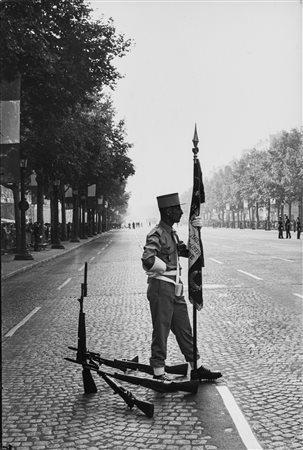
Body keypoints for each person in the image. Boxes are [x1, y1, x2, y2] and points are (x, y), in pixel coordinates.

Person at [141, 193, 222, 381]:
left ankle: (196, 366)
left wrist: (196, 232)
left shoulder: (172, 233)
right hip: (161, 288)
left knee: (185, 329)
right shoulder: (157, 233)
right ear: (168, 212)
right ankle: (158, 372)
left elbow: (190, 253)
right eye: (177, 209)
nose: (181, 212)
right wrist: (162, 269)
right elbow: (147, 259)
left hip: (175, 289)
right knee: (161, 330)